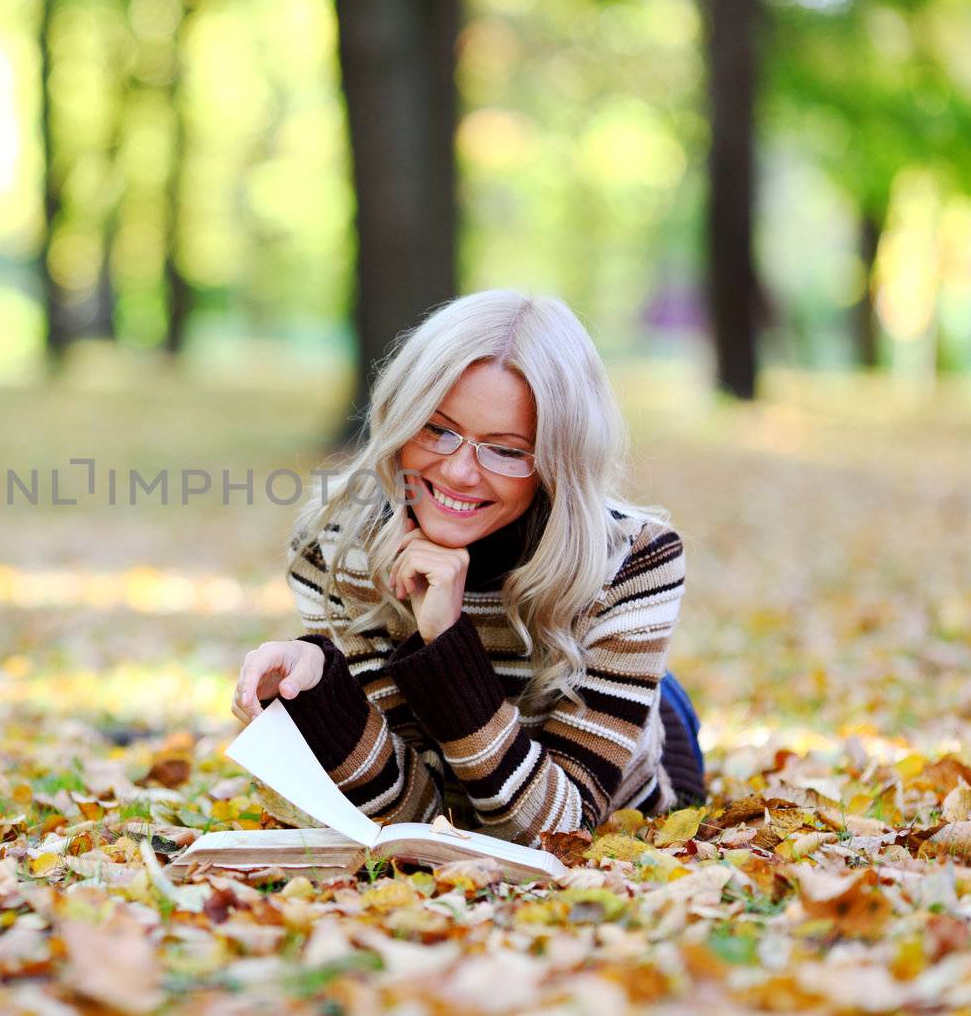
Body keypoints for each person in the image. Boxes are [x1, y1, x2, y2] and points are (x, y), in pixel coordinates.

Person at [230, 290, 705, 848]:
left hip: (629, 765)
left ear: (557, 460)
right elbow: (420, 824)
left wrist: (447, 644)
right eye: (437, 429)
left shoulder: (634, 558)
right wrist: (320, 692)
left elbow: (558, 834)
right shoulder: (336, 544)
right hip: (498, 774)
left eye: (505, 450)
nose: (458, 472)